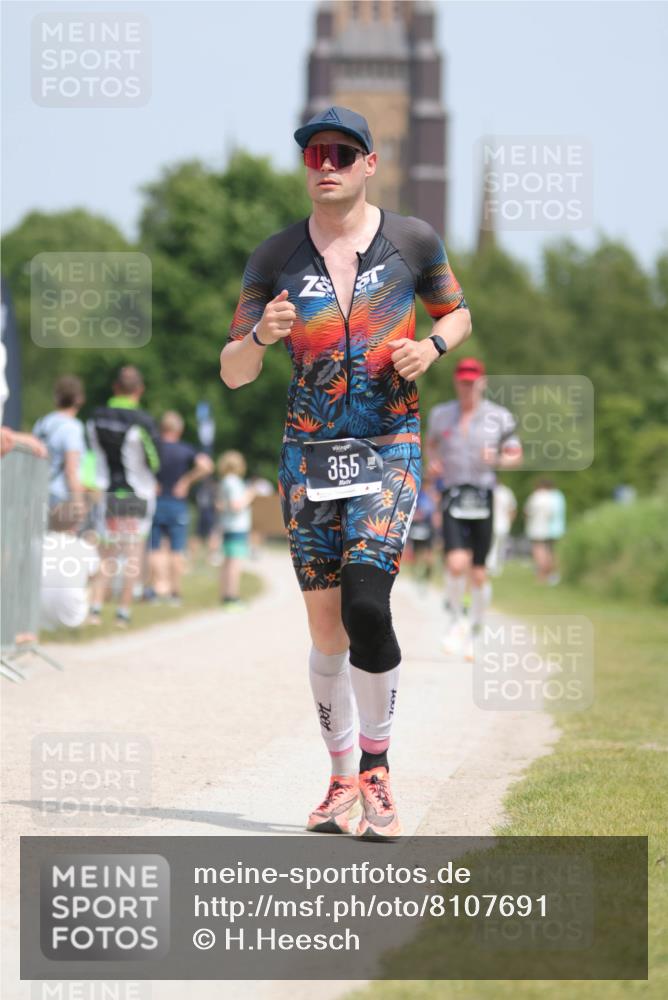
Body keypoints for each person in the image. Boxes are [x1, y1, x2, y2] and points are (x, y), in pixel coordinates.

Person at [220, 106, 472, 839]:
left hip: (389, 444)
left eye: (341, 152)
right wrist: (259, 339)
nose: (325, 163)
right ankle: (338, 779)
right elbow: (233, 372)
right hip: (307, 457)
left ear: (369, 164)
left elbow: (457, 313)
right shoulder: (273, 258)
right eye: (314, 154)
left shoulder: (414, 240)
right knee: (328, 632)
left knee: (369, 603)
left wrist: (432, 347)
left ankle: (377, 769)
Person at [427, 358, 523, 659]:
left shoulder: (500, 417)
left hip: (483, 495)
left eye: (473, 381)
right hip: (453, 493)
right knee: (456, 563)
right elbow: (430, 445)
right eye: (463, 381)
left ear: (482, 383)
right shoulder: (441, 415)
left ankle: (476, 629)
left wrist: (496, 459)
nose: (467, 387)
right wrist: (433, 461)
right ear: (456, 382)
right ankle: (456, 620)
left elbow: (515, 456)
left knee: (479, 573)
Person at [86, 366, 161, 628]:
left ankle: (95, 609)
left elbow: (91, 454)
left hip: (106, 492)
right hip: (138, 493)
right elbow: (154, 460)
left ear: (115, 388)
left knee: (106, 552)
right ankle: (123, 613)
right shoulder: (143, 421)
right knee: (132, 553)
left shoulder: (94, 417)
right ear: (139, 391)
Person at [147, 411, 213, 605]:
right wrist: (186, 481)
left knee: (155, 548)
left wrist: (150, 480)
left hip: (156, 501)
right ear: (179, 430)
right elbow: (207, 465)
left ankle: (157, 590)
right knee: (176, 550)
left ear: (162, 428)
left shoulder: (154, 447)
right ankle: (175, 593)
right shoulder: (185, 449)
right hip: (177, 503)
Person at [32, 375, 86, 525]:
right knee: (60, 544)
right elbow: (71, 470)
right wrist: (79, 504)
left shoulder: (42, 423)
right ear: (79, 399)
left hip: (36, 491)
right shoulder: (72, 427)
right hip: (60, 495)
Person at [216, 450, 256, 609]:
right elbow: (236, 505)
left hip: (228, 526)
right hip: (237, 527)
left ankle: (225, 595)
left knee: (227, 563)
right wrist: (250, 495)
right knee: (234, 564)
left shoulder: (225, 481)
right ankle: (231, 597)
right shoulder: (233, 481)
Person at [524, 479, 567, 584]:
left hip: (538, 527)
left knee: (539, 550)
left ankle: (541, 574)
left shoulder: (537, 496)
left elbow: (528, 511)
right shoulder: (556, 496)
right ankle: (551, 574)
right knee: (551, 551)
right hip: (552, 528)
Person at [487, 482, 517, 576]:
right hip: (500, 523)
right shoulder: (506, 491)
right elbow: (512, 509)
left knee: (494, 545)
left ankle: (492, 566)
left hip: (498, 522)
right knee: (496, 546)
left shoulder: (504, 491)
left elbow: (511, 509)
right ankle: (493, 566)